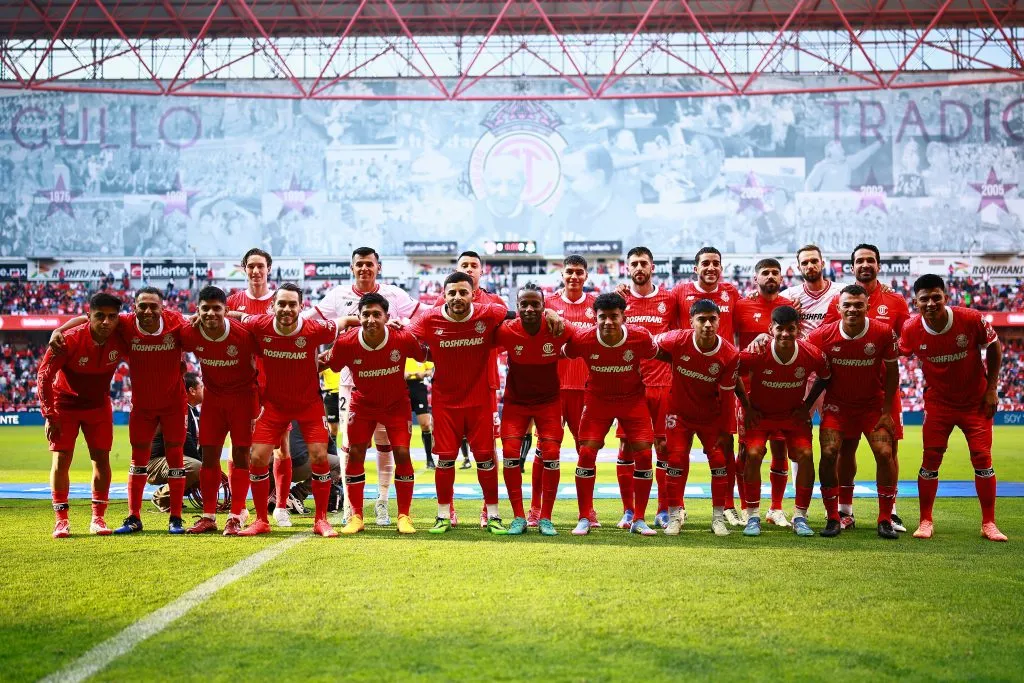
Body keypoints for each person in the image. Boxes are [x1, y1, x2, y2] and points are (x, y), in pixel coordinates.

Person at [50, 286, 190, 534]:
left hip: (173, 404)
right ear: (134, 309)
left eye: (153, 306)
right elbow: (89, 318)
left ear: (163, 307)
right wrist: (60, 329)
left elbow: (204, 322)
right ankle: (134, 517)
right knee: (138, 462)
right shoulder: (124, 323)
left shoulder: (176, 322)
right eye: (142, 306)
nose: (148, 311)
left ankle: (176, 518)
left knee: (176, 459)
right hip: (142, 406)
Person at [305, 247, 422, 527]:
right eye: (359, 264)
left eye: (370, 264)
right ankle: (351, 508)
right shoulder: (337, 296)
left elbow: (423, 316)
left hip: (389, 385)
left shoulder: (395, 296)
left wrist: (404, 325)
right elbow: (309, 322)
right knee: (350, 448)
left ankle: (383, 503)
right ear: (352, 267)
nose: (364, 269)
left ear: (378, 267)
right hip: (352, 384)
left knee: (389, 447)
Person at [899, 275, 1006, 542]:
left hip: (975, 402)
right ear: (916, 302)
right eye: (925, 299)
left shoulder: (970, 318)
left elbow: (994, 347)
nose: (931, 303)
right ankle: (925, 520)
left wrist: (992, 388)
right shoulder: (911, 328)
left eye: (937, 297)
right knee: (930, 461)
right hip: (939, 404)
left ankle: (988, 523)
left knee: (983, 460)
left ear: (946, 297)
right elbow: (892, 354)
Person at [409, 272, 512, 534]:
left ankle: (493, 516)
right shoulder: (429, 319)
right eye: (451, 292)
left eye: (463, 292)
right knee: (444, 460)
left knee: (486, 459)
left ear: (472, 294)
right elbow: (408, 337)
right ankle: (443, 515)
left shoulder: (489, 313)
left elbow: (515, 314)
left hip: (479, 403)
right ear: (443, 295)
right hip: (445, 404)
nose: (457, 297)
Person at [234, 283, 340, 537]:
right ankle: (261, 520)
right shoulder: (260, 324)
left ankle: (321, 520)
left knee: (319, 456)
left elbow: (342, 323)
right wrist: (211, 316)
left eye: (292, 304)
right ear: (273, 306)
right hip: (274, 406)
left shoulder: (314, 329)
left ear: (301, 307)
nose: (286, 308)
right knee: (257, 458)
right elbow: (239, 316)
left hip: (309, 405)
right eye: (281, 303)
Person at [823, 244, 911, 531]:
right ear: (852, 267)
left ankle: (891, 511)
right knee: (844, 449)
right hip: (844, 390)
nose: (865, 264)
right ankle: (845, 511)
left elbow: (905, 342)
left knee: (888, 451)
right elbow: (825, 338)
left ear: (878, 265)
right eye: (859, 260)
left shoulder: (896, 301)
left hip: (883, 392)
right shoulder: (840, 298)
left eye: (870, 260)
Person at [325, 292, 426, 535]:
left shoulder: (401, 338)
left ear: (387, 317)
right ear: (358, 317)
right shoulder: (347, 342)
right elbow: (334, 364)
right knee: (356, 452)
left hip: (396, 404)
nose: (371, 319)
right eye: (366, 314)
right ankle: (356, 515)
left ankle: (404, 516)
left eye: (376, 314)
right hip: (362, 404)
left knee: (401, 452)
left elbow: (422, 354)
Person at [807, 285, 900, 539]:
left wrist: (887, 410)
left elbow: (893, 372)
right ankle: (834, 517)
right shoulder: (822, 335)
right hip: (837, 408)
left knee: (884, 452)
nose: (852, 309)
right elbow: (800, 360)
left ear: (867, 307)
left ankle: (884, 518)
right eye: (847, 304)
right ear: (838, 308)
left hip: (872, 407)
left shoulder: (882, 333)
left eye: (858, 304)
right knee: (828, 453)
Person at [563, 292, 659, 536]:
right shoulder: (583, 339)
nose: (608, 322)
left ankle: (638, 519)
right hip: (597, 402)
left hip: (633, 401)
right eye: (602, 317)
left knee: (645, 455)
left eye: (614, 316)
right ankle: (584, 517)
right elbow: (561, 350)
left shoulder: (640, 337)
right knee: (586, 453)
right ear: (595, 317)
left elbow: (656, 353)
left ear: (624, 317)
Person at [37, 292, 127, 538]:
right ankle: (61, 520)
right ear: (89, 317)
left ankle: (98, 518)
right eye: (100, 316)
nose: (106, 322)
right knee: (61, 460)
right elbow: (44, 375)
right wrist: (50, 413)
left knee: (101, 460)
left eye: (112, 316)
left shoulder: (121, 334)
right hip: (64, 404)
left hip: (98, 406)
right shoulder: (68, 340)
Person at [737, 306, 829, 538]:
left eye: (791, 329)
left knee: (806, 456)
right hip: (761, 415)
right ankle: (753, 515)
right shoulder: (757, 351)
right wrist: (746, 407)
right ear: (771, 329)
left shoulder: (811, 353)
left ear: (798, 330)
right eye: (780, 329)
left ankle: (800, 516)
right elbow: (732, 370)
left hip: (791, 416)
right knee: (754, 453)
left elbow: (825, 376)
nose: (785, 334)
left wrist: (807, 405)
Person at [432, 250, 509, 527]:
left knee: (488, 450)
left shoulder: (494, 302)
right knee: (446, 453)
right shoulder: (444, 301)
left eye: (473, 265)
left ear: (481, 270)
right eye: (464, 265)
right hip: (449, 390)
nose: (469, 269)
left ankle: (489, 509)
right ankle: (447, 510)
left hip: (485, 385)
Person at [670, 246, 744, 526]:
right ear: (696, 268)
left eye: (716, 263)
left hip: (721, 379)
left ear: (721, 268)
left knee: (725, 447)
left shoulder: (732, 294)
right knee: (678, 450)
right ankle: (677, 508)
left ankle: (727, 505)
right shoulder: (679, 292)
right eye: (705, 263)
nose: (711, 267)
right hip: (688, 378)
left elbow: (751, 320)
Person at [655, 299, 741, 537]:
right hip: (678, 414)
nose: (707, 324)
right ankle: (674, 516)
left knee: (719, 462)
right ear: (691, 321)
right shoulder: (676, 339)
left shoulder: (729, 354)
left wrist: (726, 430)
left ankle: (717, 519)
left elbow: (727, 397)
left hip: (710, 417)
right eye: (701, 319)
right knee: (676, 459)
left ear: (719, 321)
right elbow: (651, 346)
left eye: (712, 319)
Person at [179, 286, 260, 535]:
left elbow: (261, 366)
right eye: (205, 308)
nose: (211, 313)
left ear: (226, 310)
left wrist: (260, 407)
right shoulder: (191, 334)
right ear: (197, 310)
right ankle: (209, 516)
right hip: (213, 400)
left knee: (240, 455)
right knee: (209, 457)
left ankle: (236, 515)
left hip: (243, 398)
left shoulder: (243, 335)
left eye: (217, 308)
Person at [493, 283, 572, 536]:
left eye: (535, 304)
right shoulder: (507, 330)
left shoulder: (557, 328)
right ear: (516, 308)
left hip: (549, 403)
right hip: (516, 403)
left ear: (543, 306)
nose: (529, 309)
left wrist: (558, 316)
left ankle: (545, 517)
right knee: (510, 454)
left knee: (551, 454)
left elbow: (585, 338)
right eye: (523, 304)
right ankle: (518, 517)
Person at [226, 247, 293, 528]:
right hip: (240, 384)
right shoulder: (231, 302)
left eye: (260, 266)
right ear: (244, 269)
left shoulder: (280, 301)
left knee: (281, 446)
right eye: (250, 266)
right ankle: (239, 507)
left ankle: (280, 506)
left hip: (275, 381)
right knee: (238, 446)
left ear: (269, 269)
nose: (256, 271)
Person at [733, 258, 795, 527]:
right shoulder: (741, 306)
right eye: (765, 272)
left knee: (781, 448)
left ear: (781, 278)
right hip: (748, 391)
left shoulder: (790, 307)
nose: (770, 276)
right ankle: (748, 508)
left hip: (781, 390)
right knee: (747, 451)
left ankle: (777, 508)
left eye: (775, 273)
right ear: (755, 278)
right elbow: (730, 342)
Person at [618, 246, 676, 530]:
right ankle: (629, 511)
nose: (639, 268)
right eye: (634, 264)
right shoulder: (620, 300)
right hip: (630, 386)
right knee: (628, 446)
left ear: (652, 267)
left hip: (663, 383)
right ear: (627, 269)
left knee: (663, 445)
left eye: (644, 263)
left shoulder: (670, 299)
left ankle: (663, 509)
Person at [539, 254, 598, 528]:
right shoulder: (547, 304)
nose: (574, 276)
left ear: (586, 276)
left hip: (585, 389)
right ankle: (536, 510)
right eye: (570, 272)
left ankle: (587, 512)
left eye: (579, 272)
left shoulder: (596, 306)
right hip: (551, 389)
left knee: (585, 451)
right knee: (545, 450)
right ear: (562, 275)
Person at [148, 373, 203, 517]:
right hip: (156, 462)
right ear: (192, 391)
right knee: (197, 468)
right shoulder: (179, 409)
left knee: (201, 468)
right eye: (202, 387)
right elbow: (186, 442)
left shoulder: (193, 410)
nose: (205, 390)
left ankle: (173, 496)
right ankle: (162, 496)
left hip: (173, 459)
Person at [405, 356, 435, 469]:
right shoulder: (399, 350)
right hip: (402, 387)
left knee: (426, 424)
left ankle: (429, 459)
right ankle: (404, 461)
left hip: (419, 387)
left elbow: (431, 370)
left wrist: (423, 373)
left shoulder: (420, 352)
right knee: (402, 427)